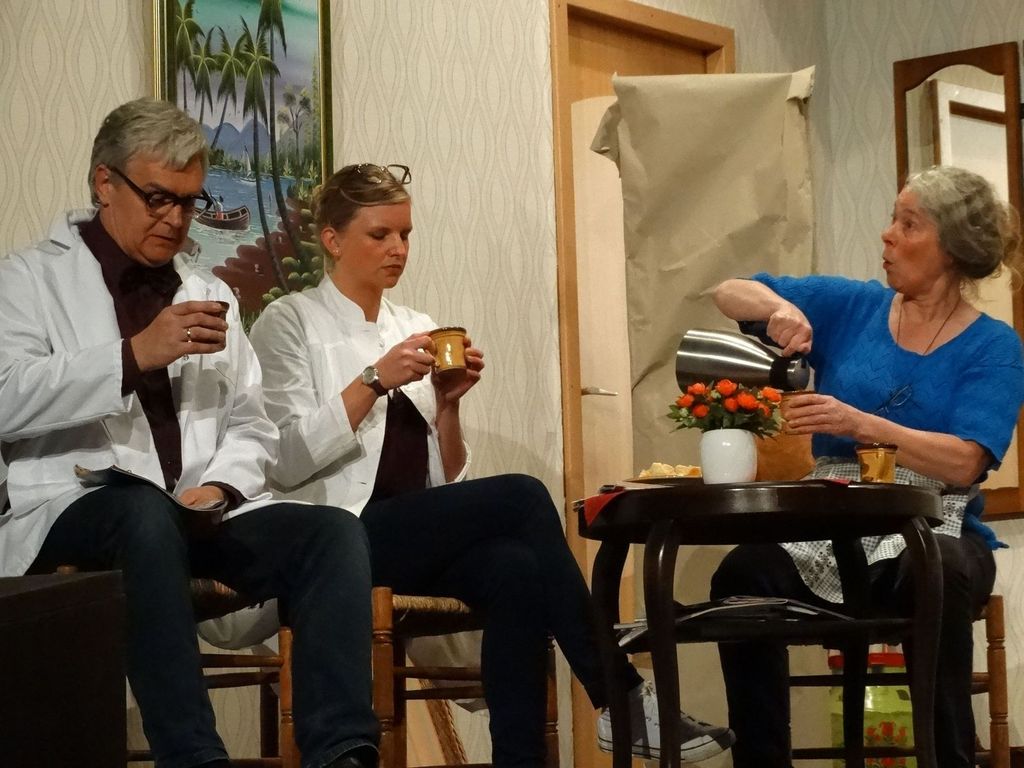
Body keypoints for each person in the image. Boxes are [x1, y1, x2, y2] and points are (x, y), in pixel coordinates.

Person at [247, 163, 735, 767]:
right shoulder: (290, 321)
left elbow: (448, 480)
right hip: (336, 535)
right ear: (332, 239)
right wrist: (373, 380)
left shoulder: (416, 326)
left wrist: (448, 404)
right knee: (524, 494)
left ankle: (523, 759)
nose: (398, 249)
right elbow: (285, 460)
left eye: (405, 234)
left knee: (515, 568)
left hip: (405, 532)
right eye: (380, 235)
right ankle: (619, 695)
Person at [0, 99, 378, 768]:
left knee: (331, 531)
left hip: (195, 511)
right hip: (72, 503)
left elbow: (251, 421)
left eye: (188, 201)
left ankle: (342, 751)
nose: (175, 219)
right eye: (157, 198)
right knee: (141, 513)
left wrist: (223, 486)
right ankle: (194, 755)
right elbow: (7, 396)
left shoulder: (207, 292)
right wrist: (133, 356)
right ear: (104, 183)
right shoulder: (27, 279)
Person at [709, 165, 1024, 768]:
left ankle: (947, 759)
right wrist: (780, 308)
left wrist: (862, 424)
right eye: (891, 218)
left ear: (951, 248)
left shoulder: (994, 346)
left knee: (940, 571)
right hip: (832, 517)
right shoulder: (852, 305)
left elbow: (964, 462)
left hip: (933, 520)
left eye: (909, 224)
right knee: (741, 576)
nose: (887, 235)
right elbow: (729, 291)